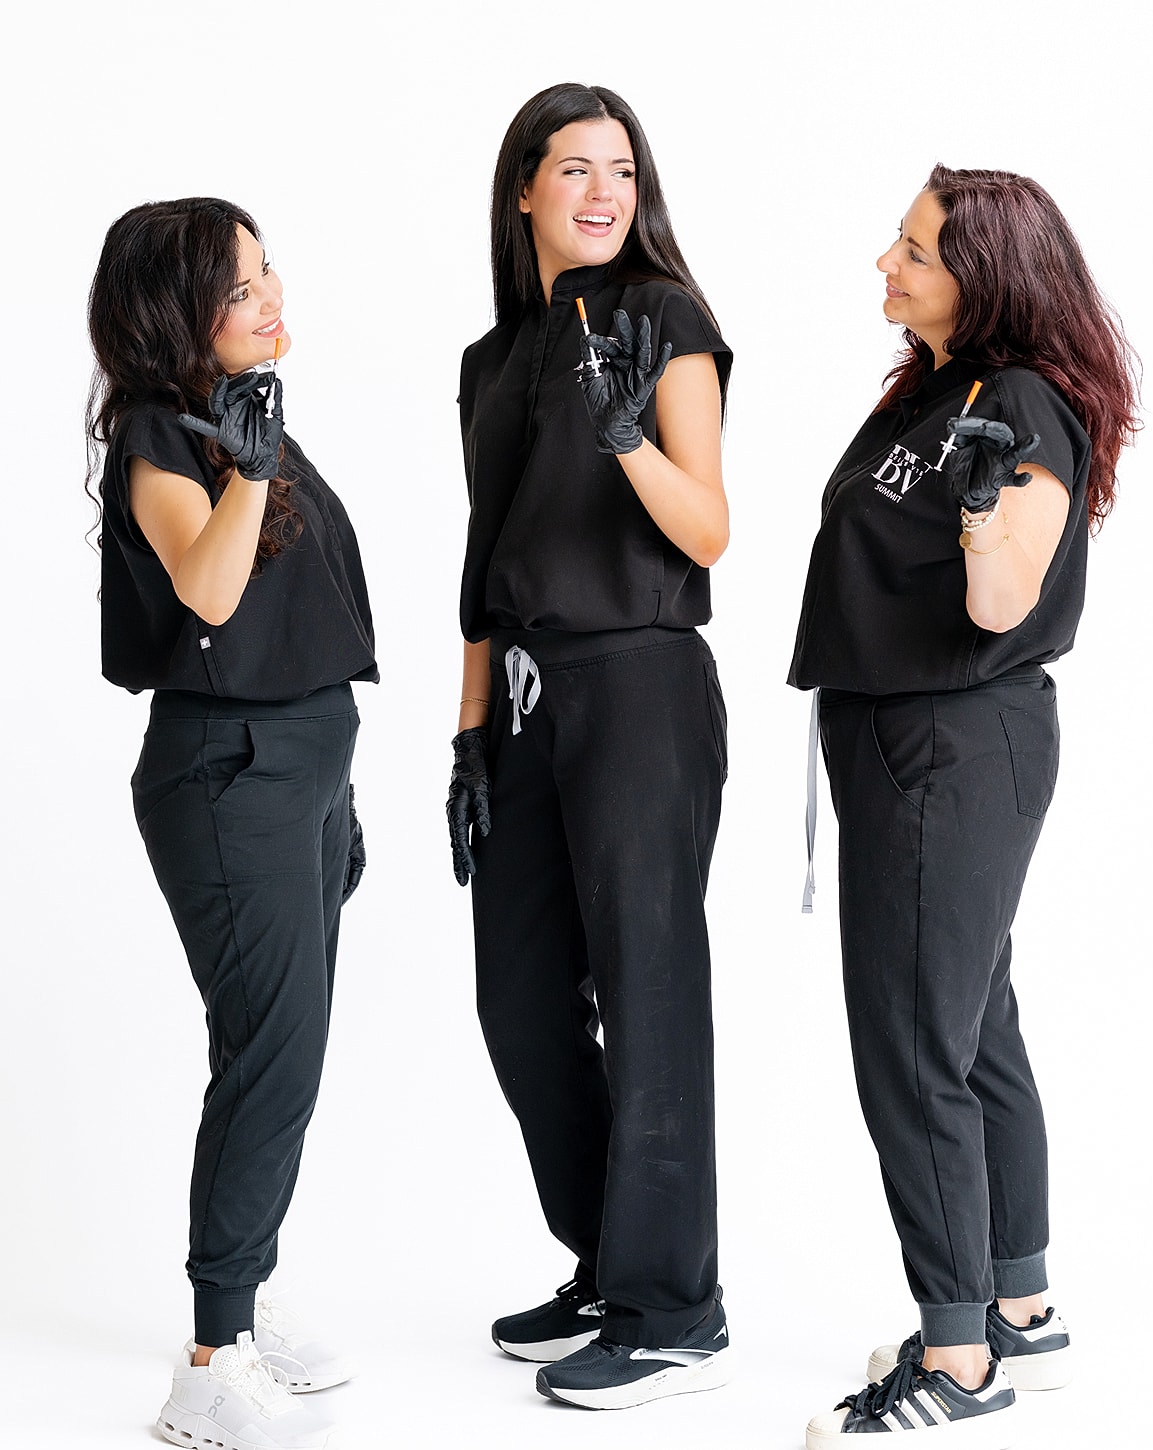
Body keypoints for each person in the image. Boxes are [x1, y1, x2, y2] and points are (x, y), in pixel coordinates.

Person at [789, 166, 1138, 1446]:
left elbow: (1000, 603)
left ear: (984, 276)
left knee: (913, 1046)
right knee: (974, 1026)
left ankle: (958, 1357)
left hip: (949, 743)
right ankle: (1019, 1313)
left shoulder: (1026, 406)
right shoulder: (939, 391)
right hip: (911, 740)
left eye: (916, 249)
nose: (886, 262)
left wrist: (987, 507)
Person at [445, 82, 733, 1411]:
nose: (602, 190)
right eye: (574, 168)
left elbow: (708, 527)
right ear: (525, 191)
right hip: (521, 697)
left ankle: (674, 1309)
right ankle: (610, 1260)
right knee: (521, 998)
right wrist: (466, 740)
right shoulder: (492, 360)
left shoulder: (666, 317)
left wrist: (624, 433)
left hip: (640, 683)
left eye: (621, 167)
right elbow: (484, 565)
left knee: (650, 991)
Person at [87, 198, 376, 1450]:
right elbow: (208, 591)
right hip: (228, 772)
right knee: (270, 1051)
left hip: (302, 764)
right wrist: (247, 469)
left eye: (268, 274)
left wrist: (343, 789)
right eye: (240, 286)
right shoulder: (165, 432)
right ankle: (210, 1361)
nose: (270, 298)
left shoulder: (243, 414)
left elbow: (298, 614)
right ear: (177, 313)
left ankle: (239, 1307)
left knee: (285, 1053)